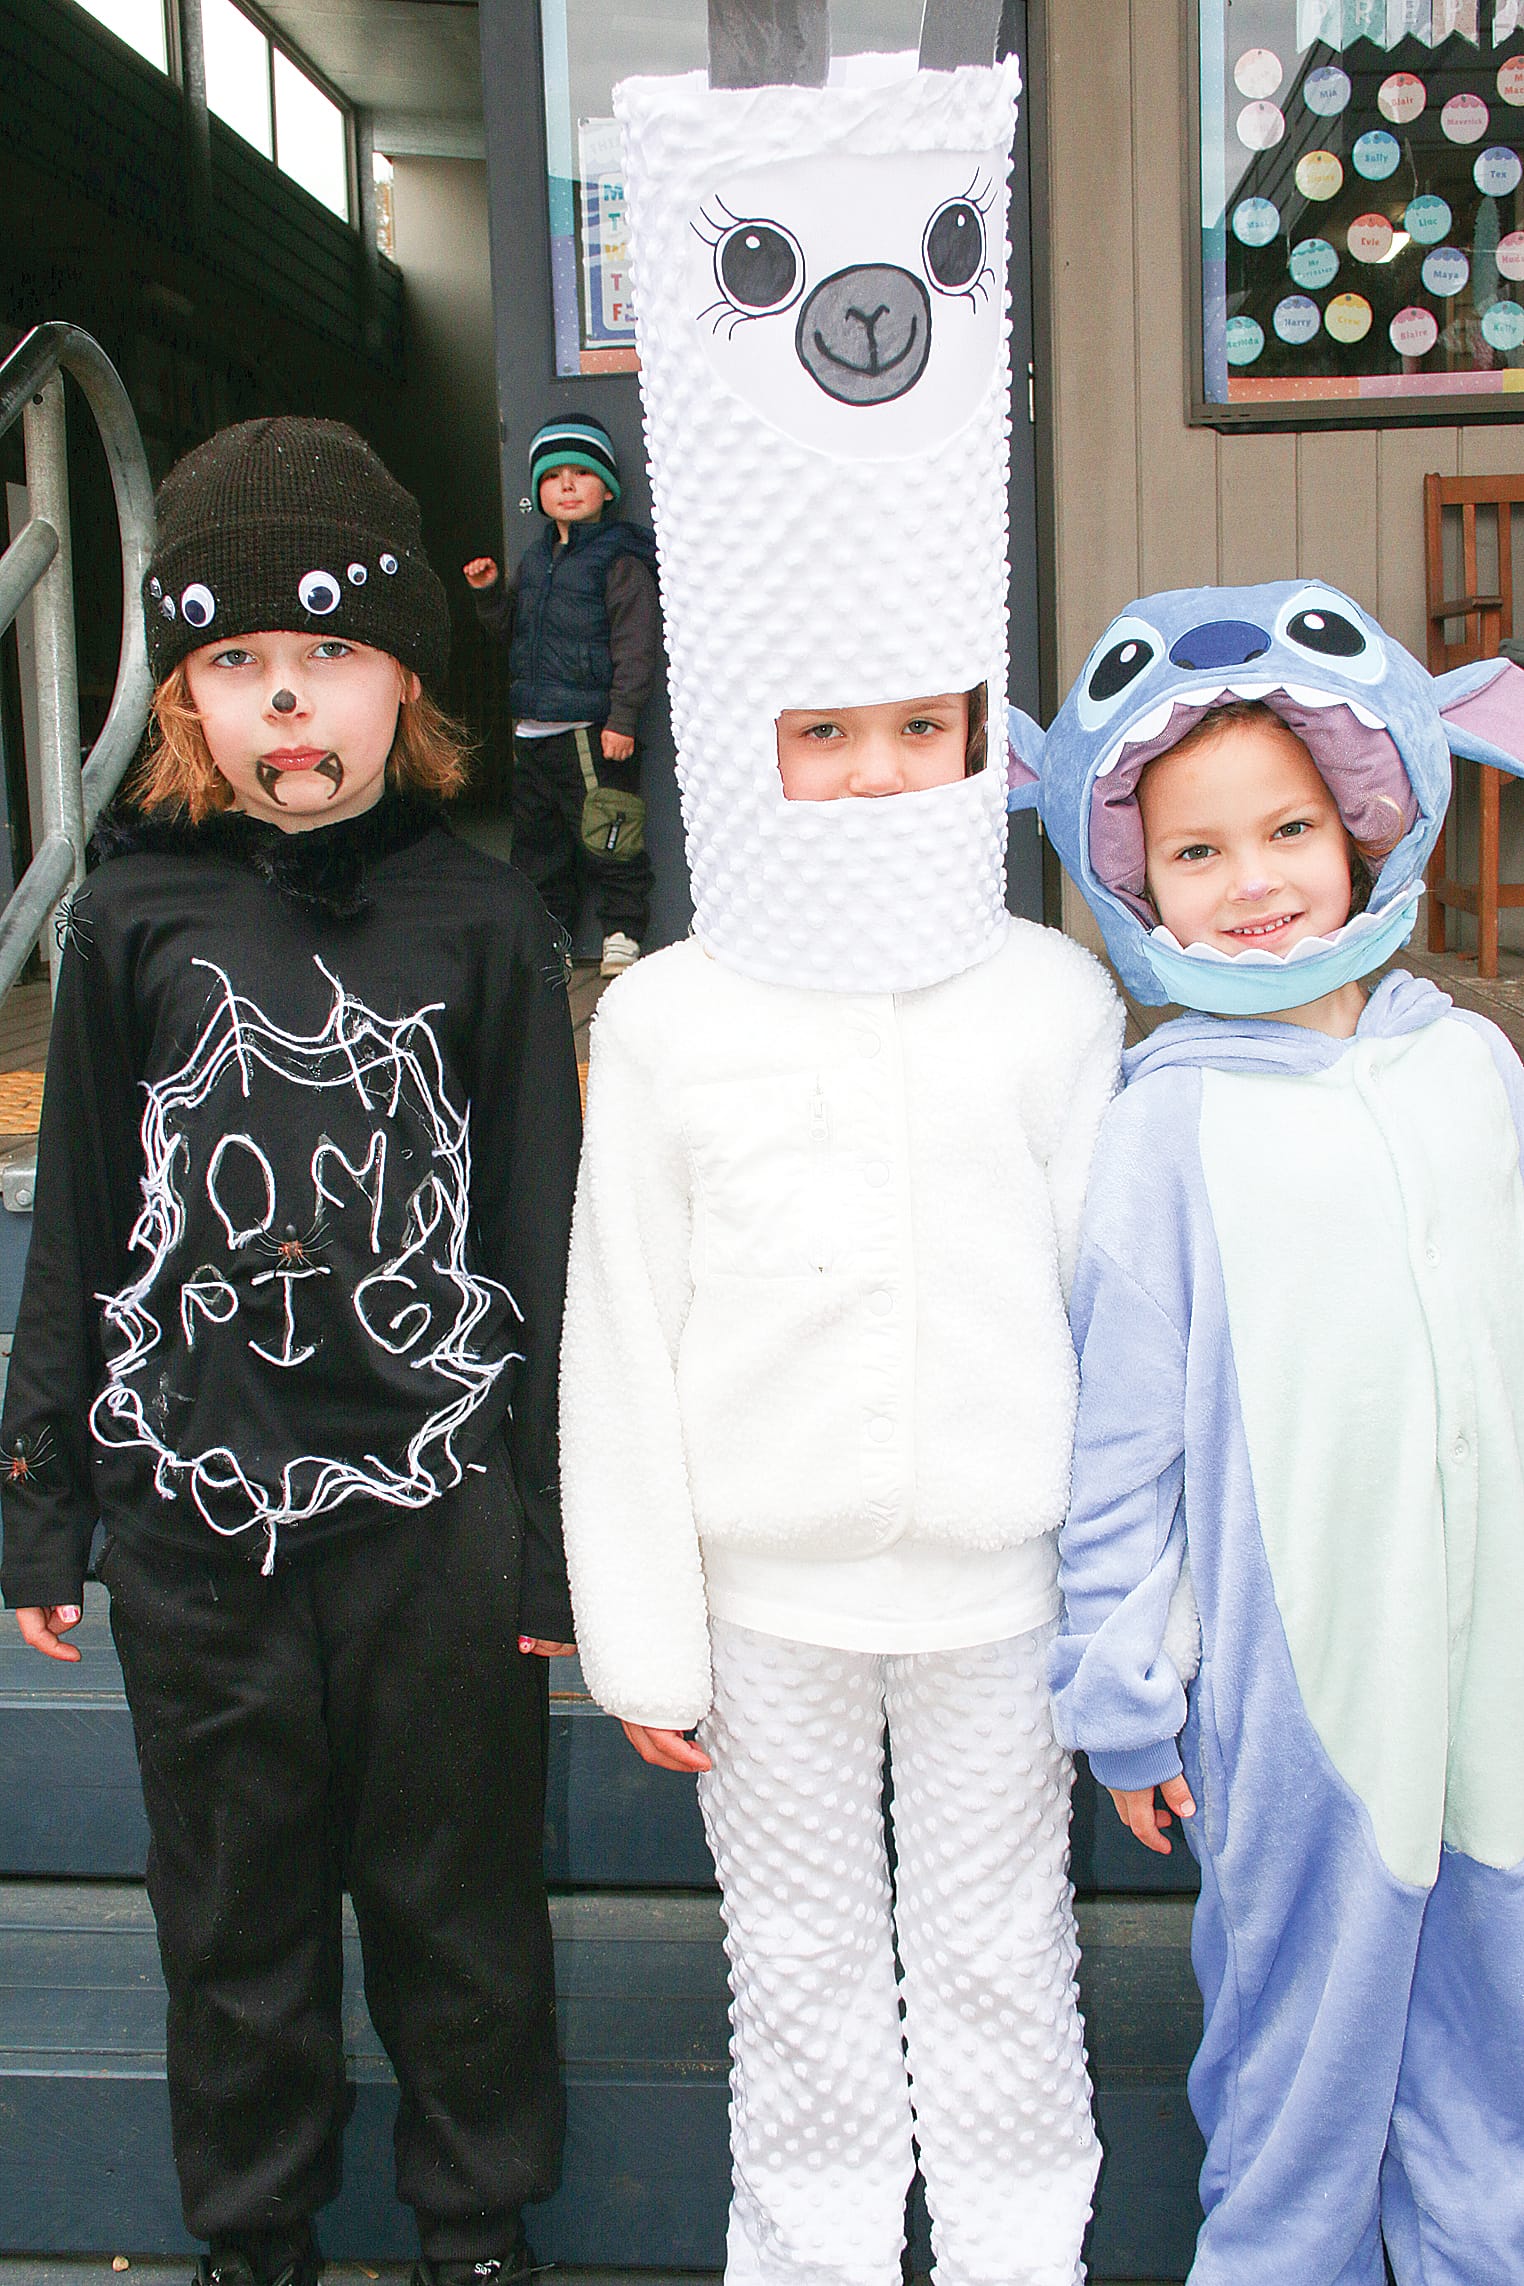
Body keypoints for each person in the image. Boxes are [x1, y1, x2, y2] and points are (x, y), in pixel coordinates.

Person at [0, 417, 583, 2286]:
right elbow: (84, 1222)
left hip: (436, 1524)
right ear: (184, 695)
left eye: (326, 652)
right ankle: (255, 2238)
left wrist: (556, 1535)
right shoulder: (130, 919)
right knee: (234, 1917)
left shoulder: (487, 919)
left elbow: (544, 1250)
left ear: (403, 669)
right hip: (194, 1524)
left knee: (456, 1907)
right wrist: (43, 1494)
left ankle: (472, 2227)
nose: (286, 702)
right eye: (237, 664)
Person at [562, 680, 1120, 2286]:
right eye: (824, 731)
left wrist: (1118, 1605)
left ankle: (1022, 2254)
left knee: (1005, 1955)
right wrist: (649, 1630)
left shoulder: (1051, 998)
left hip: (999, 1599)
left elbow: (1104, 1308)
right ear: (754, 744)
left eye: (917, 732)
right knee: (797, 1967)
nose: (876, 772)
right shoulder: (670, 1013)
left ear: (975, 743)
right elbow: (625, 1319)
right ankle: (814, 2258)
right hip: (763, 1609)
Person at [1022, 580, 1524, 2286]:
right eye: (1195, 855)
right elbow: (1120, 1448)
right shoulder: (1163, 1126)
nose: (1251, 885)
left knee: (1490, 2041)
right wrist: (1117, 1692)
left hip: (1492, 1678)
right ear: (1128, 881)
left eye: (1286, 830)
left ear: (1369, 816)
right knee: (1298, 2058)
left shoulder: (1469, 1068)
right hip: (1297, 1695)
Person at [463, 416, 658, 977]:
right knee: (538, 845)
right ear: (538, 493)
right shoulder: (536, 559)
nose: (567, 486)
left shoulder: (619, 560)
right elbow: (509, 632)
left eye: (581, 474)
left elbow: (635, 645)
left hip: (591, 732)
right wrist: (487, 594)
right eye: (552, 477)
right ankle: (552, 936)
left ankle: (623, 930)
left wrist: (622, 718)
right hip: (533, 732)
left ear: (607, 488)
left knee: (610, 830)